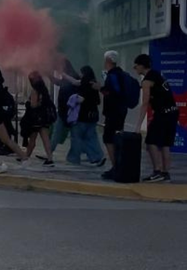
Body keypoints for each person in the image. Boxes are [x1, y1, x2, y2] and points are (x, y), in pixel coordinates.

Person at [134, 54, 179, 182]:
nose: (135, 69)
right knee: (165, 144)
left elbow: (145, 103)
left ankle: (157, 171)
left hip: (163, 113)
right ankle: (165, 172)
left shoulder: (147, 80)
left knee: (150, 142)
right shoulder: (157, 75)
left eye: (135, 66)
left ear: (141, 66)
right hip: (173, 112)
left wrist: (138, 125)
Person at [96, 50, 128, 180]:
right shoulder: (120, 74)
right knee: (115, 138)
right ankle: (117, 166)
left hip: (114, 112)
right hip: (120, 111)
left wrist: (100, 88)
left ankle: (116, 167)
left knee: (109, 139)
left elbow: (114, 93)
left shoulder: (113, 75)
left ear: (108, 60)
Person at [66, 66, 106, 166]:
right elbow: (98, 101)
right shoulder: (93, 84)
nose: (80, 75)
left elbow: (81, 97)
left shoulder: (84, 84)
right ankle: (96, 156)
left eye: (81, 73)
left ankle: (74, 158)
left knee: (77, 138)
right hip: (93, 117)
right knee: (91, 138)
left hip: (82, 116)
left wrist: (75, 99)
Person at [23, 71, 56, 167]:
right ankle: (50, 158)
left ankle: (26, 157)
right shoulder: (44, 90)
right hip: (44, 117)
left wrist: (28, 103)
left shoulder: (35, 91)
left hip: (35, 119)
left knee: (32, 139)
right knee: (46, 139)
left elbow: (33, 105)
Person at [48, 59, 79, 153]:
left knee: (74, 135)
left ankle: (90, 155)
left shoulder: (73, 77)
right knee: (57, 133)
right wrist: (49, 75)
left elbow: (64, 84)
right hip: (64, 110)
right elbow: (59, 83)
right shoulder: (67, 77)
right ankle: (49, 152)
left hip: (70, 111)